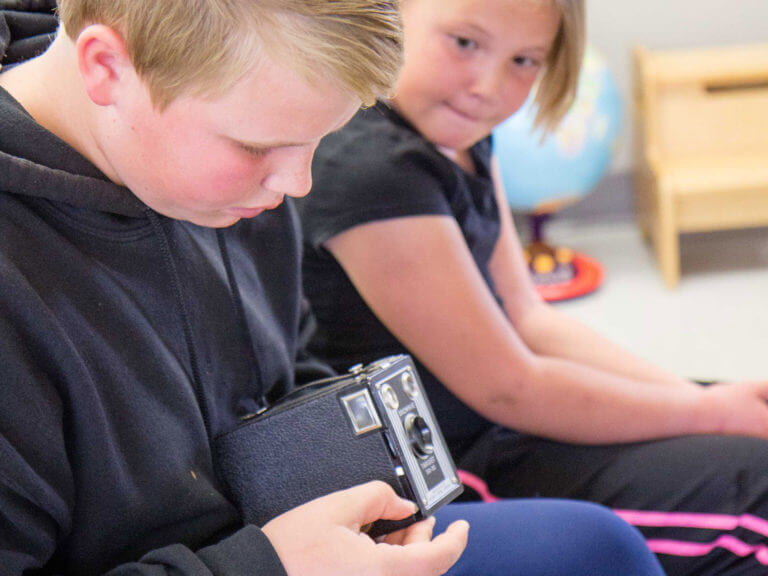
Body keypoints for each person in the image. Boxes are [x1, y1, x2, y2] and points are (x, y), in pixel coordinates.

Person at [0, 2, 669, 575]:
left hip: (280, 541)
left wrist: (366, 492)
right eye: (260, 147)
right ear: (106, 68)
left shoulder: (231, 183)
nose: (299, 186)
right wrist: (271, 564)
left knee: (596, 549)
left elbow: (288, 370)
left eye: (317, 141)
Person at [295, 0, 768, 574]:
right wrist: (711, 415)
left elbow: (529, 318)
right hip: (449, 473)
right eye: (464, 43)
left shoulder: (460, 134)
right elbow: (509, 387)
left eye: (524, 60)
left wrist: (705, 400)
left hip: (506, 424)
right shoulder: (368, 169)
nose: (489, 86)